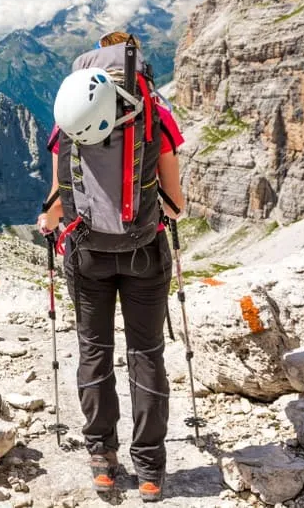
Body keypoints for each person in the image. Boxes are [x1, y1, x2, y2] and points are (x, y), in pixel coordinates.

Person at [37, 34, 185, 502]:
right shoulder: (153, 117)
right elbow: (176, 206)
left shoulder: (69, 121)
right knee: (147, 357)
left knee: (94, 352)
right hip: (145, 255)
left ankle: (102, 458)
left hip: (85, 256)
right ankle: (150, 471)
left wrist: (48, 220)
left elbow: (61, 196)